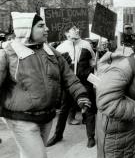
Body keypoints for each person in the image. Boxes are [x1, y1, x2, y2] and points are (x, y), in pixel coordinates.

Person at [0, 12, 91, 158]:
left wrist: (81, 95)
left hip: (46, 117)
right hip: (20, 119)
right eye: (41, 26)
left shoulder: (52, 52)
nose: (47, 29)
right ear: (26, 29)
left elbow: (69, 77)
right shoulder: (7, 54)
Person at [47, 25, 97, 148]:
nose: (77, 31)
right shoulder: (60, 48)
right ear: (67, 34)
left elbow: (92, 61)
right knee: (64, 110)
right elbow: (56, 66)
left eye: (78, 29)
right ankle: (58, 135)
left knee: (89, 109)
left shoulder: (86, 44)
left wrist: (93, 67)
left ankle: (90, 137)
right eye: (74, 30)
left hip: (85, 83)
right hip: (68, 84)